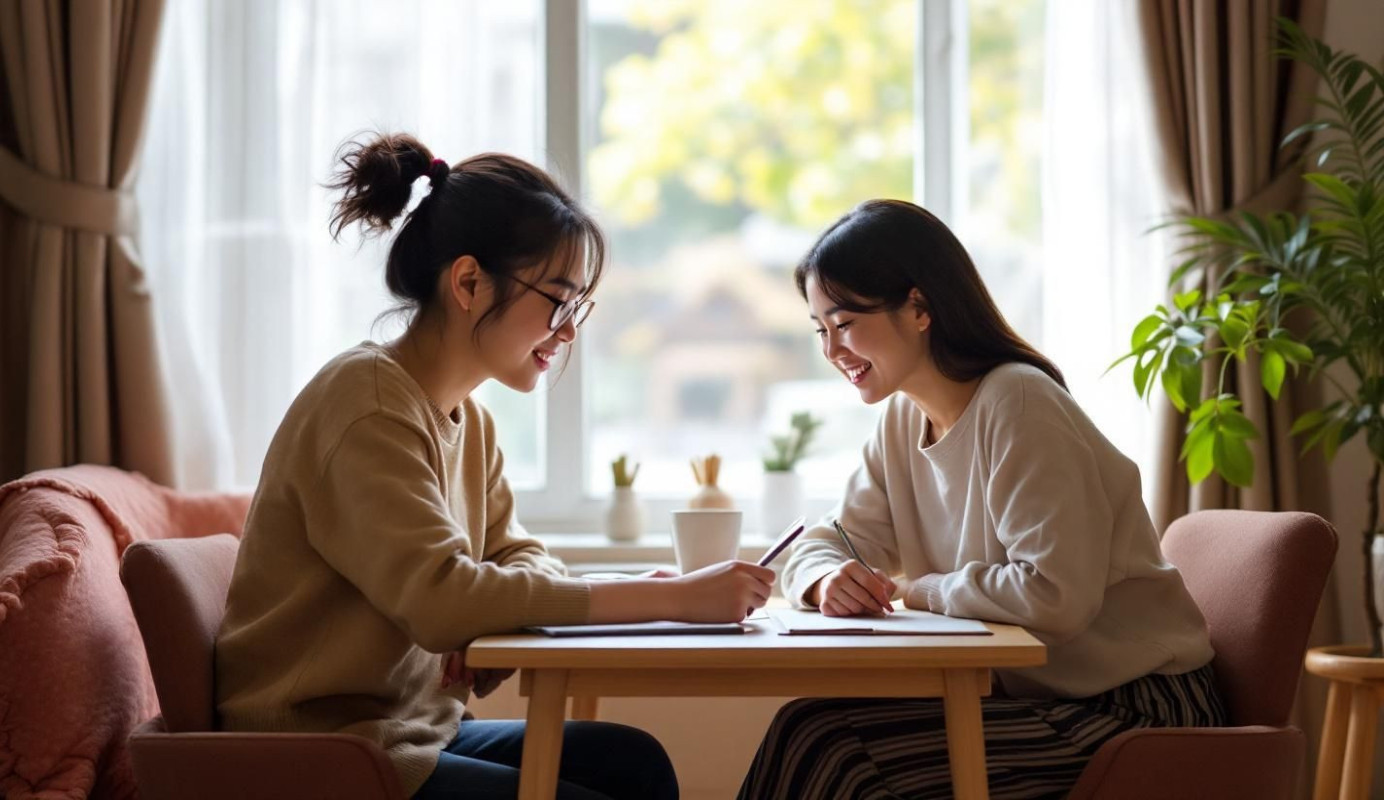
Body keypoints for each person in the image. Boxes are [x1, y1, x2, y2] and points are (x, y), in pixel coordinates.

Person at [214, 132, 775, 800]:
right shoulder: (366, 408)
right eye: (557, 301)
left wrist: (479, 610)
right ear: (470, 282)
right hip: (321, 754)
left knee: (634, 764)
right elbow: (444, 601)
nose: (568, 332)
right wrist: (674, 598)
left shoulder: (467, 418)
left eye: (577, 308)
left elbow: (519, 556)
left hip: (412, 728)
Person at [738, 199, 1222, 800]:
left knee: (831, 747)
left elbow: (1055, 596)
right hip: (1040, 701)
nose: (832, 350)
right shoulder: (900, 424)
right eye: (820, 330)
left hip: (1137, 708)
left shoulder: (1018, 403)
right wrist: (823, 579)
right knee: (806, 724)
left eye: (844, 323)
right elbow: (822, 544)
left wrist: (920, 589)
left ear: (918, 307)